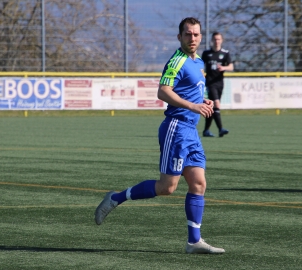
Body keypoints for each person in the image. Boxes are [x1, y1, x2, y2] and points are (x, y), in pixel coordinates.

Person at [94, 17, 225, 254]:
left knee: (198, 183)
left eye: (196, 34)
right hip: (176, 128)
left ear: (200, 36)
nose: (192, 38)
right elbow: (163, 92)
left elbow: (189, 91)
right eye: (188, 34)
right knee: (167, 187)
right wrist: (193, 107)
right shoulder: (176, 61)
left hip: (191, 132)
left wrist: (200, 101)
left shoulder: (197, 63)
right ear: (179, 37)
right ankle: (115, 198)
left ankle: (194, 241)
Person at [201, 32, 234, 137]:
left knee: (212, 107)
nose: (216, 41)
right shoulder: (206, 53)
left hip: (220, 83)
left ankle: (206, 130)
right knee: (216, 104)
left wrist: (224, 68)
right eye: (215, 39)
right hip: (210, 83)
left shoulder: (225, 53)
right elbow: (200, 66)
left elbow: (231, 67)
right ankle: (220, 129)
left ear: (221, 40)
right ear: (212, 40)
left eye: (218, 39)